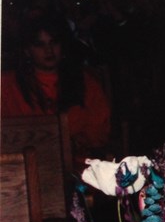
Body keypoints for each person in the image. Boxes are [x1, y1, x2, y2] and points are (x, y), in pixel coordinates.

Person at [1, 14, 112, 166]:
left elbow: (99, 132)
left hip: (76, 165)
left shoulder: (85, 82)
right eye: (40, 44)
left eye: (53, 43)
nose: (48, 50)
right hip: (27, 165)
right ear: (27, 50)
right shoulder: (8, 85)